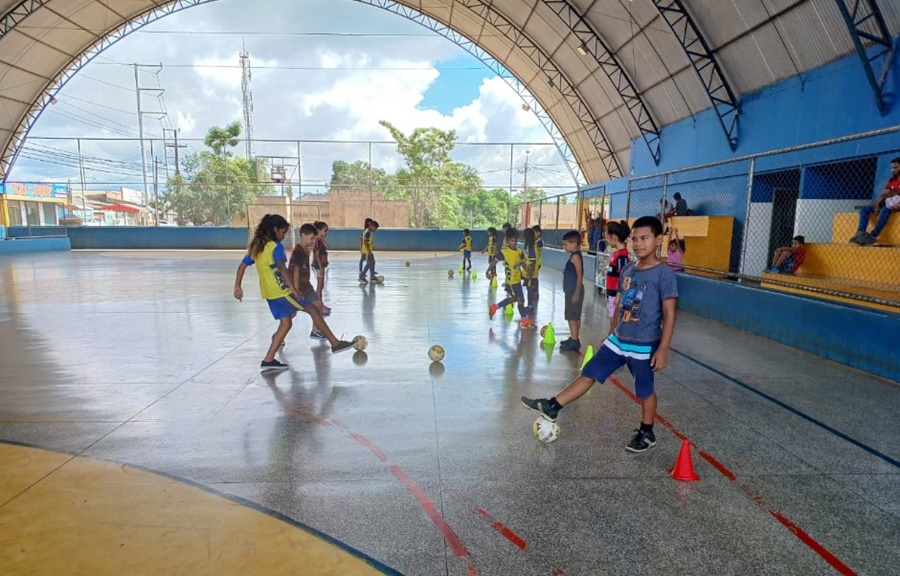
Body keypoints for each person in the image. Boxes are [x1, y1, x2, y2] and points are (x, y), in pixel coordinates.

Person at [522, 216, 678, 453]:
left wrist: (663, 348)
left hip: (643, 344)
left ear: (658, 240)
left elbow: (669, 313)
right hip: (618, 340)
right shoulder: (628, 269)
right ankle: (553, 405)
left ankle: (647, 432)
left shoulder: (663, 274)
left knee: (644, 390)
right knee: (589, 372)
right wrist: (611, 332)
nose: (638, 244)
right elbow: (621, 304)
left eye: (644, 238)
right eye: (635, 239)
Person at [233, 215, 354, 372]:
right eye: (283, 232)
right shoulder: (275, 247)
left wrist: (237, 286)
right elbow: (283, 270)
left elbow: (242, 266)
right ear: (275, 230)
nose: (284, 236)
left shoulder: (258, 246)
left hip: (269, 294)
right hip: (282, 292)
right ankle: (335, 343)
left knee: (286, 323)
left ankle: (268, 360)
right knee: (313, 310)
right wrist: (294, 290)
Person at [489, 227, 533, 328]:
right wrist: (488, 271)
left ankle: (495, 307)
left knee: (514, 299)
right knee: (520, 300)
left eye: (516, 240)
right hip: (511, 281)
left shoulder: (519, 251)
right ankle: (524, 320)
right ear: (507, 240)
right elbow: (494, 262)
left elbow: (523, 263)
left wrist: (528, 272)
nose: (514, 243)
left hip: (517, 280)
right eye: (512, 241)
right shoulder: (504, 252)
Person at [851, 157, 900, 246]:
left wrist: (891, 193)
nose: (893, 170)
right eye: (892, 168)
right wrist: (877, 204)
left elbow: (889, 193)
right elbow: (884, 194)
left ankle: (873, 236)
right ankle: (861, 233)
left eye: (896, 168)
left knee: (885, 210)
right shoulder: (892, 180)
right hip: (887, 202)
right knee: (865, 209)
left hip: (895, 205)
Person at [558, 230, 584, 352]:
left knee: (572, 316)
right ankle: (574, 337)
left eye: (566, 244)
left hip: (574, 291)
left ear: (574, 244)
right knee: (572, 315)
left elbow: (579, 275)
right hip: (570, 290)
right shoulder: (573, 256)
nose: (564, 247)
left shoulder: (576, 256)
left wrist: (577, 292)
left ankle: (575, 340)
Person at [605, 221, 631, 318]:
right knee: (612, 316)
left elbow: (623, 276)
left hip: (615, 293)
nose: (607, 240)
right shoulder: (616, 254)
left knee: (614, 318)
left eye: (608, 237)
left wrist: (618, 295)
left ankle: (614, 333)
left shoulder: (622, 256)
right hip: (611, 291)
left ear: (614, 237)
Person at [311, 221, 331, 315]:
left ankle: (321, 304)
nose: (326, 233)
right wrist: (320, 266)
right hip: (319, 266)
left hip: (321, 265)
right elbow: (317, 254)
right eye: (325, 231)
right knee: (319, 287)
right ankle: (319, 306)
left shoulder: (320, 241)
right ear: (318, 230)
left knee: (321, 286)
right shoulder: (317, 242)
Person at [359, 220, 380, 284]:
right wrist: (368, 251)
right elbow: (365, 242)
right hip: (367, 251)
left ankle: (372, 276)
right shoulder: (368, 232)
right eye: (375, 228)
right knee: (369, 263)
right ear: (372, 226)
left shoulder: (367, 231)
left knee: (372, 262)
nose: (375, 230)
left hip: (368, 251)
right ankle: (362, 276)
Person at [522, 228, 539, 311]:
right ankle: (529, 305)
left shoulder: (531, 247)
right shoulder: (528, 245)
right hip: (527, 272)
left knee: (530, 290)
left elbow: (533, 262)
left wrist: (530, 274)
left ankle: (530, 306)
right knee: (529, 288)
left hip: (531, 273)